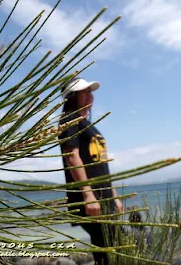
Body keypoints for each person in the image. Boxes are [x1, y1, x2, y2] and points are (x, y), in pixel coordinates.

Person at [58, 77, 123, 265]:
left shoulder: (89, 125)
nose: (90, 95)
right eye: (84, 92)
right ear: (71, 97)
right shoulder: (69, 120)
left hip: (104, 196)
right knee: (107, 250)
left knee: (113, 247)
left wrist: (114, 196)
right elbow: (72, 156)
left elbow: (102, 166)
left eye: (90, 92)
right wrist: (88, 194)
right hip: (90, 197)